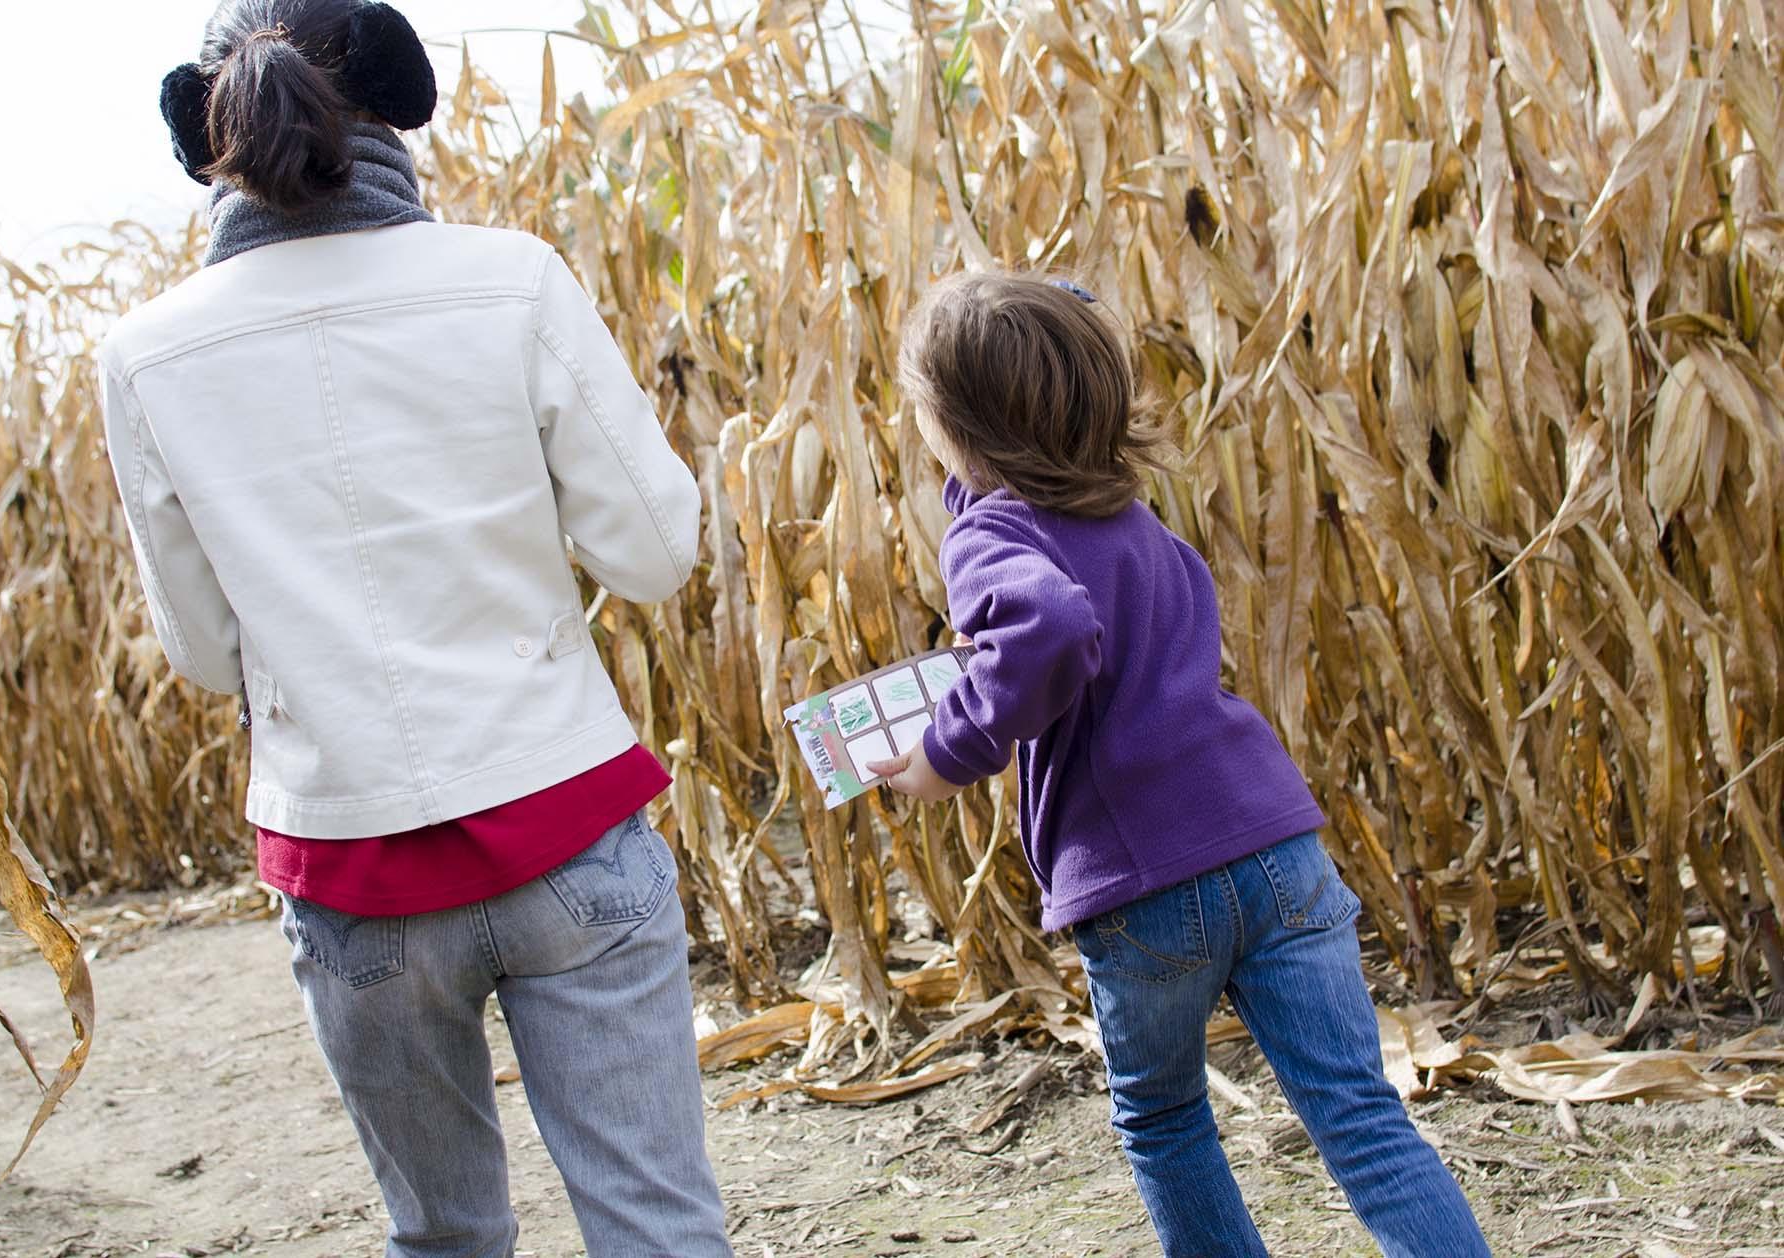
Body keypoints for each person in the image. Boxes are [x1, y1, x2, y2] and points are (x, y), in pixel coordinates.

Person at [96, 3, 732, 1254]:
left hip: (351, 879)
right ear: (393, 99)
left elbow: (206, 653)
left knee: (443, 1238)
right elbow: (656, 556)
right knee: (658, 1227)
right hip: (566, 827)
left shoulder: (145, 354)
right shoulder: (509, 278)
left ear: (207, 137)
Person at [869, 272, 1490, 1258]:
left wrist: (947, 754)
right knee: (1360, 1115)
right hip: (1276, 846)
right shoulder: (1129, 518)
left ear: (955, 425)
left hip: (1148, 883)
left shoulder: (991, 533)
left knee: (1163, 1117)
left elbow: (1051, 624)